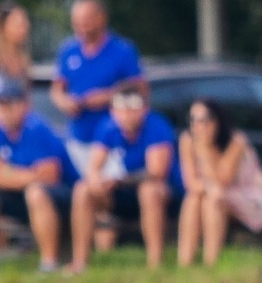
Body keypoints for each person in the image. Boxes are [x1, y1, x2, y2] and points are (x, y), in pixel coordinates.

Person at [0, 83, 77, 276]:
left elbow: (49, 175)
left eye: (9, 106)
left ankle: (49, 263)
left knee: (36, 192)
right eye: (0, 107)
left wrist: (6, 171)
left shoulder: (38, 129)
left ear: (24, 106)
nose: (4, 112)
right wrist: (26, 174)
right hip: (20, 194)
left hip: (62, 197)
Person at [70, 88, 180, 271]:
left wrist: (118, 181)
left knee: (149, 191)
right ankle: (80, 262)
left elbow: (156, 171)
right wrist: (96, 180)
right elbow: (93, 166)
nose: (127, 115)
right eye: (122, 109)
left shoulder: (157, 126)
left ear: (144, 109)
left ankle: (155, 262)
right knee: (83, 190)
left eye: (133, 109)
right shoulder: (107, 127)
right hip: (122, 191)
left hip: (163, 193)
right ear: (113, 111)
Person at [50, 0, 144, 176]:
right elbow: (57, 89)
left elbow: (140, 89)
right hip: (77, 138)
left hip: (113, 141)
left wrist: (107, 96)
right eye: (76, 22)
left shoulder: (122, 50)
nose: (81, 26)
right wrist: (65, 102)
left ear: (101, 18)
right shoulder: (68, 50)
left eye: (86, 20)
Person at [178, 98, 262, 266]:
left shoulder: (236, 140)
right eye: (195, 120)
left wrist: (204, 150)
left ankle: (211, 262)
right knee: (193, 198)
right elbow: (191, 182)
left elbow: (223, 179)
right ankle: (185, 262)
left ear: (218, 120)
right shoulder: (187, 140)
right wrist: (208, 188)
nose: (201, 125)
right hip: (215, 193)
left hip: (248, 196)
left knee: (213, 199)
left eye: (206, 119)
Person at [0, 0, 32, 84]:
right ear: (2, 27)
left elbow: (26, 94)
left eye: (26, 23)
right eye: (19, 25)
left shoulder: (23, 60)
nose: (25, 29)